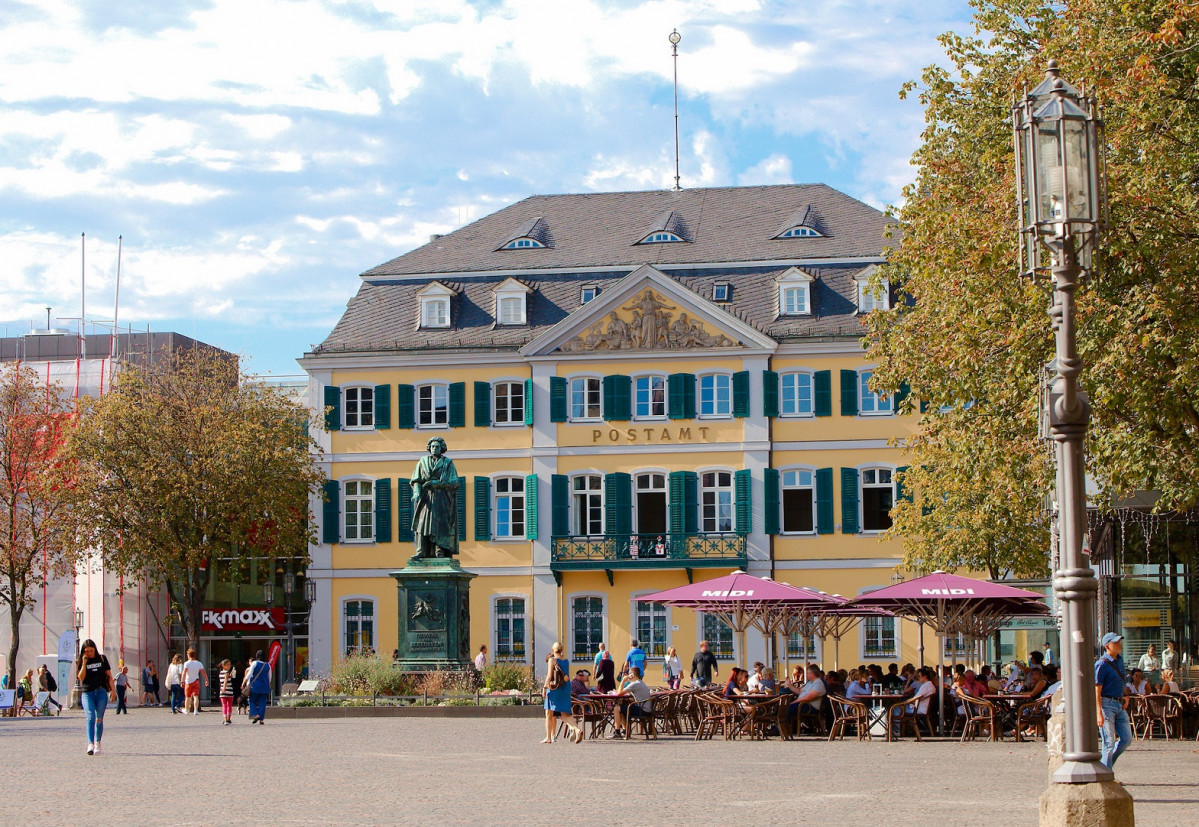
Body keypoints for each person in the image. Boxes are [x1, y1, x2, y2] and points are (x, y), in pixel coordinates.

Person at [1095, 632, 1132, 771]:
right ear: (1107, 646)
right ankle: (1106, 773)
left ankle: (1105, 766)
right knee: (1108, 742)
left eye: (1119, 642)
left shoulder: (1120, 660)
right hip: (1106, 704)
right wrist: (1099, 712)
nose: (1119, 644)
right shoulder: (1101, 664)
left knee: (1127, 739)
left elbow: (1121, 680)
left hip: (1119, 704)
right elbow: (1097, 689)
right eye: (1115, 642)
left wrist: (1125, 694)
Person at [77, 638, 115, 755]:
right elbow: (81, 677)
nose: (89, 653)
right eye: (86, 651)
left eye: (91, 651)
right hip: (87, 693)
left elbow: (109, 675)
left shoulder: (102, 658)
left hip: (101, 692)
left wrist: (113, 691)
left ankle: (98, 742)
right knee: (90, 717)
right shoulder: (82, 661)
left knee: (99, 718)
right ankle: (90, 743)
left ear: (95, 650)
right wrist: (84, 663)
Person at [542, 642, 583, 744]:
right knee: (565, 714)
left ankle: (548, 737)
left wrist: (544, 687)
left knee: (548, 713)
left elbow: (549, 675)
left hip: (554, 689)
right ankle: (577, 730)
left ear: (553, 650)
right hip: (565, 687)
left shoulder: (552, 660)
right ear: (562, 650)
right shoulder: (566, 661)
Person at [610, 666, 653, 738]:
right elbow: (624, 692)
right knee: (622, 707)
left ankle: (617, 732)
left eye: (629, 673)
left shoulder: (634, 684)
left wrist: (623, 681)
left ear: (633, 674)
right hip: (646, 708)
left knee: (616, 708)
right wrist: (618, 691)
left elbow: (619, 694)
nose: (628, 675)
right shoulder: (639, 682)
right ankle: (625, 730)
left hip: (642, 710)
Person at [242, 650, 271, 724]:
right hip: (264, 687)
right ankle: (261, 719)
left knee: (252, 701)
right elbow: (269, 677)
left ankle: (256, 715)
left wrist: (244, 682)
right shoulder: (268, 665)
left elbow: (249, 673)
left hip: (255, 686)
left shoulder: (255, 663)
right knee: (262, 703)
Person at [181, 648, 208, 714]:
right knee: (196, 696)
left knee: (188, 697)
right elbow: (203, 672)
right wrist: (206, 680)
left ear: (188, 655)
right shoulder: (199, 663)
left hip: (188, 682)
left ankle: (187, 710)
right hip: (196, 681)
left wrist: (182, 681)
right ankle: (196, 710)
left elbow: (184, 672)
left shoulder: (187, 663)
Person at [217, 659, 236, 725]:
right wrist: (224, 687)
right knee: (229, 706)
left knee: (224, 706)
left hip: (222, 692)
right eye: (228, 665)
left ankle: (225, 719)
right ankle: (228, 719)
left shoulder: (220, 673)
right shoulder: (227, 673)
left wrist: (223, 688)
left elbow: (223, 680)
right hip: (229, 691)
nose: (229, 666)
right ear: (223, 665)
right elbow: (225, 680)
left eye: (230, 665)